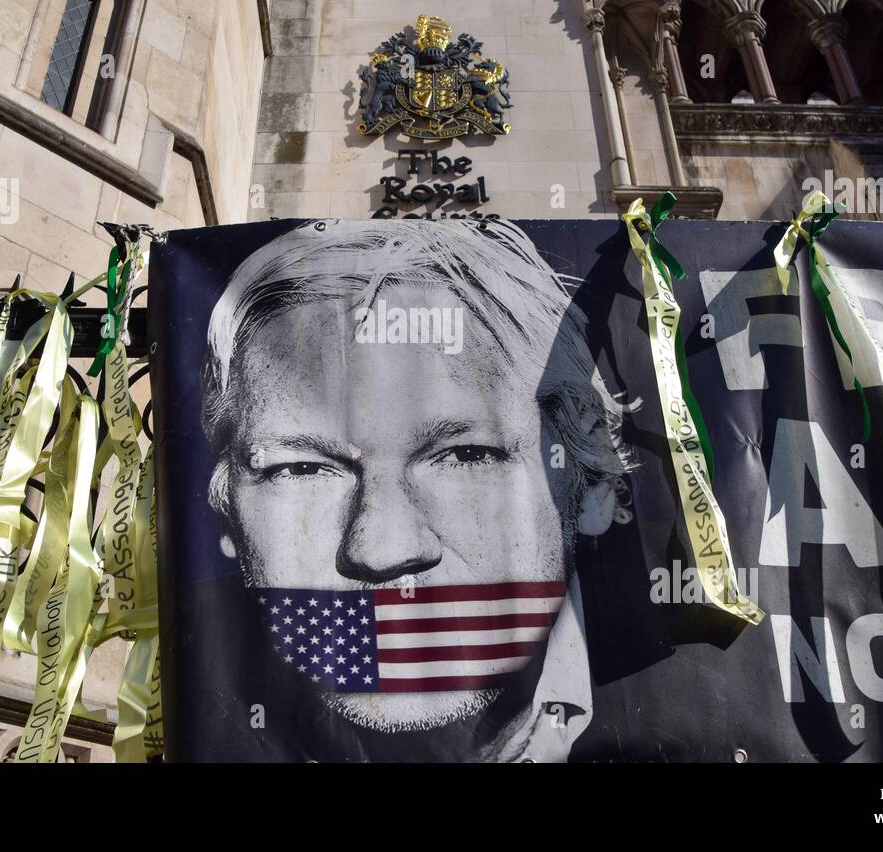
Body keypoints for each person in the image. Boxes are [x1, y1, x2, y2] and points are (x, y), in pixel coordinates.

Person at [199, 219, 635, 761]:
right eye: (303, 469)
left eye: (467, 456)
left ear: (588, 487)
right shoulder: (187, 709)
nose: (383, 549)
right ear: (227, 516)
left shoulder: (712, 714)